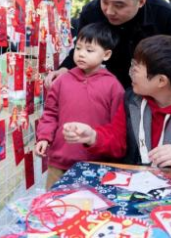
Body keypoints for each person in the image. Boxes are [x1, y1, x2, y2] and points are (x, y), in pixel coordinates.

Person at [63, 35, 171, 170]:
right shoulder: (132, 100)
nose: (131, 73)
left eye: (136, 69)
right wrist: (93, 136)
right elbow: (118, 140)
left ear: (161, 81)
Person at [45, 0, 171, 89]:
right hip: (105, 91)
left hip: (151, 92)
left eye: (119, 5)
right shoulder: (91, 12)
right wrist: (64, 69)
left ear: (141, 2)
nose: (109, 11)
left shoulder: (163, 14)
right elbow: (82, 48)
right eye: (104, 1)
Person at [35, 22, 124, 190]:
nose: (81, 54)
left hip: (96, 164)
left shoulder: (113, 86)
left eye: (89, 50)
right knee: (54, 207)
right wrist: (44, 137)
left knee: (90, 209)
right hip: (59, 162)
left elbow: (116, 128)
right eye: (78, 48)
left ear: (106, 55)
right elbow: (50, 113)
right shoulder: (62, 80)